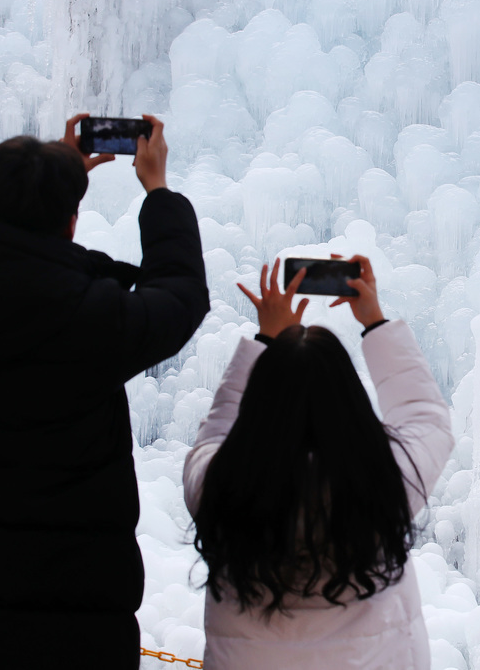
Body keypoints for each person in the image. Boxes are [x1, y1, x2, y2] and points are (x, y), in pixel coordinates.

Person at [0, 114, 209, 670]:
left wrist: (45, 174)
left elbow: (10, 253)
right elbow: (177, 296)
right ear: (72, 222)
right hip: (59, 621)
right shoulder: (88, 316)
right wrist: (158, 190)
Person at [185, 256, 455, 669]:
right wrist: (374, 320)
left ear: (258, 405)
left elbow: (217, 430)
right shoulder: (385, 485)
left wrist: (265, 340)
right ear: (351, 404)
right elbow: (425, 415)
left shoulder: (219, 488)